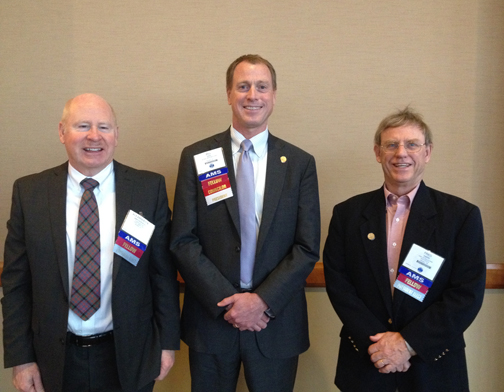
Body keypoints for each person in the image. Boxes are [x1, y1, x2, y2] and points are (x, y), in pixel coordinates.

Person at [1, 93, 180, 392]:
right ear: (62, 132)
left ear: (117, 135)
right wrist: (21, 359)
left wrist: (167, 343)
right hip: (53, 360)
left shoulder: (148, 190)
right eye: (82, 126)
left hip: (129, 355)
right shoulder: (29, 193)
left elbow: (162, 274)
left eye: (104, 127)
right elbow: (16, 283)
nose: (94, 136)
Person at [170, 54, 320, 392]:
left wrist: (260, 301)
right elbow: (183, 240)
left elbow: (307, 247)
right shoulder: (196, 157)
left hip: (275, 321)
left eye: (261, 87)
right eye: (243, 86)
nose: (252, 95)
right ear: (228, 94)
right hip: (212, 319)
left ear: (274, 95)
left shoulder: (299, 164)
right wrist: (230, 301)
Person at [323, 107, 486, 392]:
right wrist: (381, 347)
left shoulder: (461, 216)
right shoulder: (347, 214)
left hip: (433, 367)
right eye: (391, 145)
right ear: (377, 152)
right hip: (366, 363)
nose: (402, 153)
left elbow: (466, 295)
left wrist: (407, 344)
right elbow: (339, 285)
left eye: (412, 144)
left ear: (428, 152)